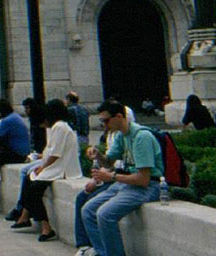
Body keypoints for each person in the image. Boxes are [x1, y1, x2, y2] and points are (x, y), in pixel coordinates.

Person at [73, 100, 163, 256]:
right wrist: (98, 155)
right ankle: (103, 253)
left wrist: (112, 176)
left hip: (147, 187)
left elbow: (143, 179)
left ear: (119, 116)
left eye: (106, 120)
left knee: (105, 215)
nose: (104, 125)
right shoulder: (122, 136)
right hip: (128, 184)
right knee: (88, 210)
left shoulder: (141, 137)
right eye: (101, 121)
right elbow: (109, 162)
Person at [11, 99, 82, 243]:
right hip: (56, 167)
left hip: (62, 169)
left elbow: (56, 153)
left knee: (33, 190)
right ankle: (25, 216)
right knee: (29, 180)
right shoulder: (58, 126)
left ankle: (45, 226)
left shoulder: (60, 127)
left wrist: (43, 167)